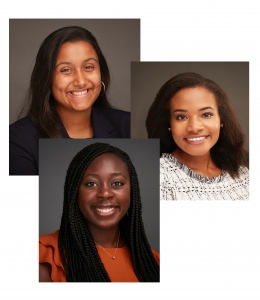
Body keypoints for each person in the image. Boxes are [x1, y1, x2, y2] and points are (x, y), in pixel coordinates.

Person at [9, 26, 130, 175]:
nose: (80, 81)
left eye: (88, 67)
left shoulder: (127, 126)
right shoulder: (18, 139)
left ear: (102, 73)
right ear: (46, 78)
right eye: (66, 69)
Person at [39, 142, 160, 282]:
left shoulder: (152, 262)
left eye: (117, 183)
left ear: (132, 191)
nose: (105, 193)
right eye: (91, 184)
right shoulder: (44, 254)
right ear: (74, 192)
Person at [146, 72, 249, 200]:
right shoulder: (156, 177)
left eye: (206, 115)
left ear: (222, 119)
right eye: (181, 117)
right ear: (169, 124)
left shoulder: (244, 174)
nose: (194, 128)